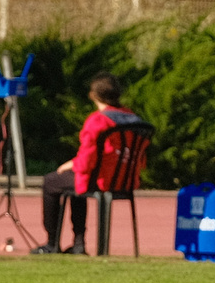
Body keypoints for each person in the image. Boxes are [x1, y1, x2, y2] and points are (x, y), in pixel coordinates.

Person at [37, 74, 140, 254]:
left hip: (100, 179)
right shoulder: (134, 119)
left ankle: (52, 242)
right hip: (126, 180)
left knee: (52, 182)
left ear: (93, 95)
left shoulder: (98, 121)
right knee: (75, 183)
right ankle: (78, 244)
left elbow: (85, 163)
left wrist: (72, 164)